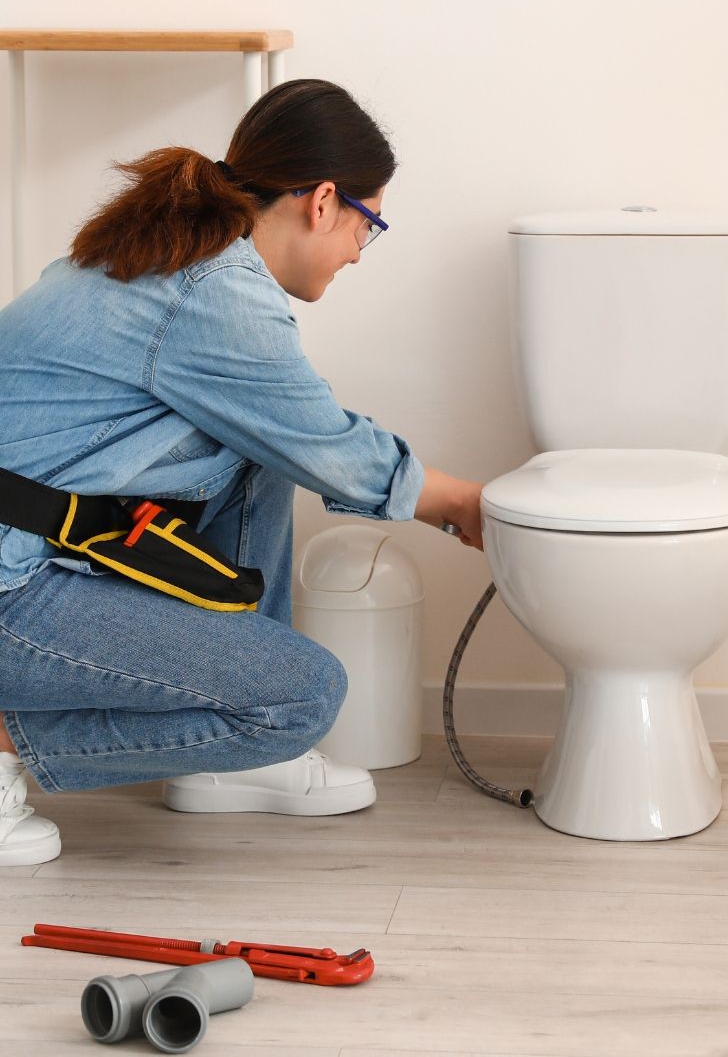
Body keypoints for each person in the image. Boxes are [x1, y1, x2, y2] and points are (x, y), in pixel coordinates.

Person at [0, 79, 484, 867]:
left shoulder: (184, 255)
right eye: (371, 224)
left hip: (28, 551)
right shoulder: (211, 290)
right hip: (8, 584)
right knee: (302, 697)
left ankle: (221, 768)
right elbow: (327, 440)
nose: (363, 249)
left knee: (256, 457)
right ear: (323, 201)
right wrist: (462, 501)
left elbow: (292, 437)